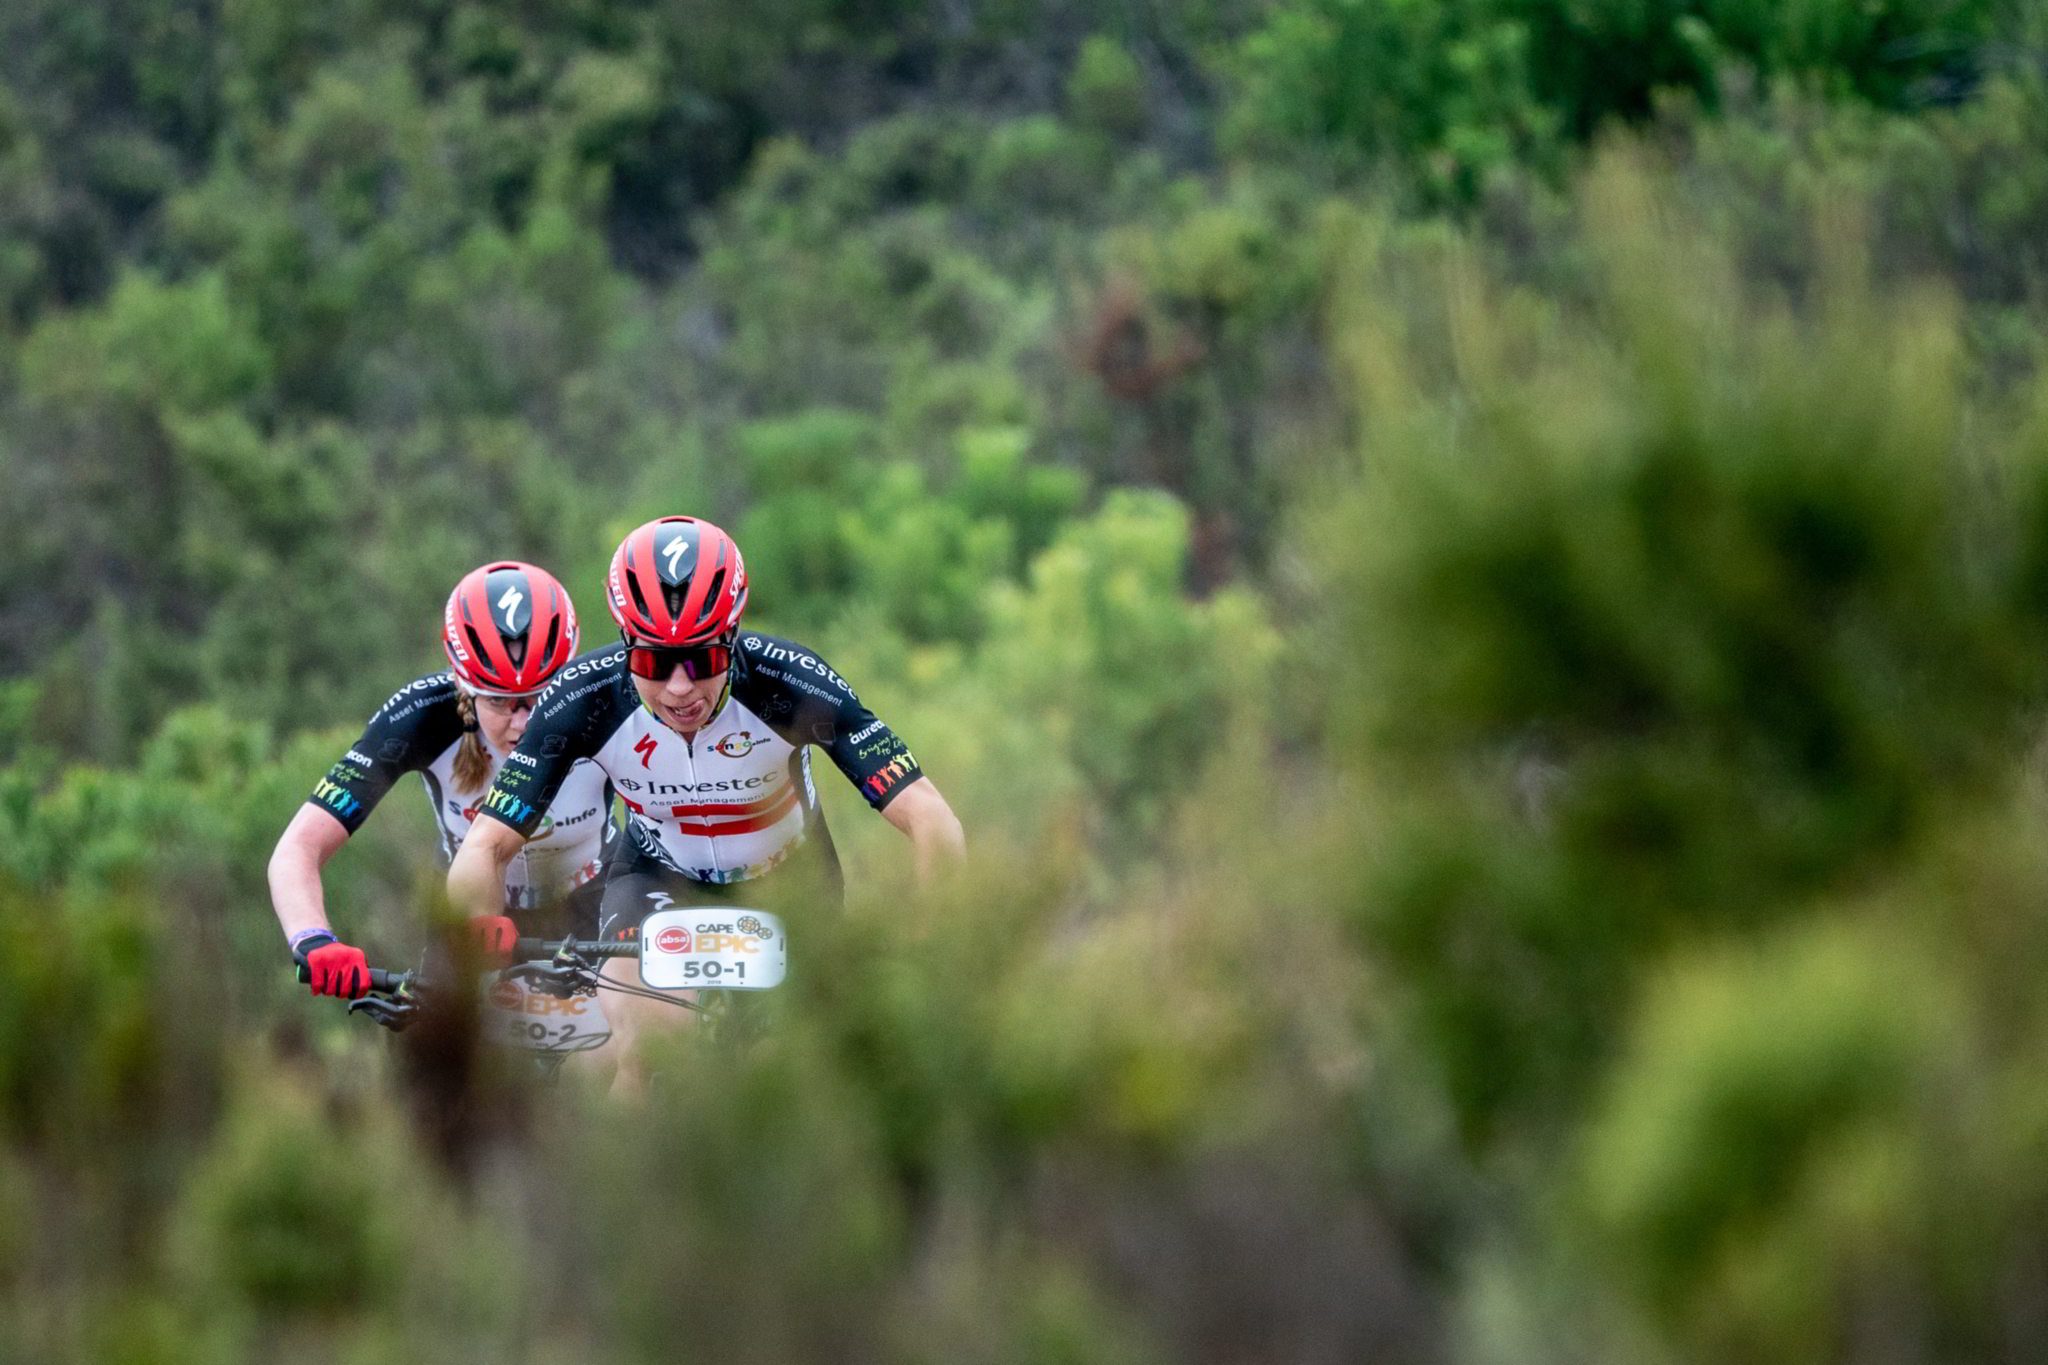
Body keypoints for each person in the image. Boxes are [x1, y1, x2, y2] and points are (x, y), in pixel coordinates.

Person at [446, 516, 964, 1092]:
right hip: (656, 875)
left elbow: (931, 819)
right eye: (651, 662)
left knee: (788, 1067)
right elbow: (486, 846)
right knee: (649, 1041)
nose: (678, 688)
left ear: (733, 634)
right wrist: (474, 926)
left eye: (702, 659)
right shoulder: (582, 700)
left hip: (791, 879)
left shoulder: (787, 683)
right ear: (624, 643)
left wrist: (932, 929)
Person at [269, 561, 613, 997]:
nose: (524, 722)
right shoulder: (423, 716)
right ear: (464, 686)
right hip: (467, 910)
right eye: (500, 701)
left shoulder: (599, 701)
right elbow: (299, 847)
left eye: (542, 696)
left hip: (591, 899)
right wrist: (313, 938)